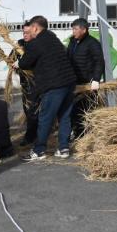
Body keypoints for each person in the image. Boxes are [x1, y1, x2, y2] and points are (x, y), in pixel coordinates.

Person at [18, 15, 77, 161]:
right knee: (64, 116)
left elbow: (25, 62)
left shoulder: (36, 43)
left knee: (45, 118)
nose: (28, 31)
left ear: (36, 28)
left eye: (30, 28)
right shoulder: (52, 38)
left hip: (54, 85)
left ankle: (39, 151)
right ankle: (63, 148)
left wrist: (18, 64)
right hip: (69, 83)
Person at [67, 17, 105, 139]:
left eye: (75, 29)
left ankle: (84, 135)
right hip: (74, 82)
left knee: (85, 110)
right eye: (72, 29)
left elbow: (99, 62)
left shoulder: (92, 43)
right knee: (73, 110)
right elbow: (68, 58)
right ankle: (77, 132)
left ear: (84, 30)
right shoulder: (72, 42)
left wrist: (96, 79)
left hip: (87, 83)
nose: (73, 31)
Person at [15, 21, 39, 146]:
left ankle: (31, 137)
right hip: (25, 84)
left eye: (27, 32)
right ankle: (33, 135)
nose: (24, 35)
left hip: (37, 83)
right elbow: (12, 58)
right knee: (27, 110)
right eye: (23, 32)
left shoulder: (37, 45)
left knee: (33, 111)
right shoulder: (20, 44)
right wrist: (14, 65)